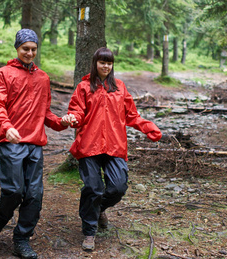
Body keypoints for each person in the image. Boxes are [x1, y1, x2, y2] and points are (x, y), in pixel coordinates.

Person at [0, 29, 75, 259]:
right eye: (25, 48)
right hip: (11, 141)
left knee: (34, 195)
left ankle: (21, 239)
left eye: (33, 49)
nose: (30, 53)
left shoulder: (43, 78)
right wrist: (6, 127)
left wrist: (62, 121)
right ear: (17, 48)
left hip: (35, 143)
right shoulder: (3, 74)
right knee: (14, 190)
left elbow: (45, 113)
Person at [66, 47, 162, 251]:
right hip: (89, 145)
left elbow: (132, 115)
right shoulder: (84, 87)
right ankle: (89, 231)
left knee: (118, 187)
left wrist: (148, 127)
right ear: (95, 64)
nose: (106, 66)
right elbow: (76, 111)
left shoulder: (119, 87)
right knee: (93, 187)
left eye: (109, 63)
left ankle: (97, 209)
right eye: (102, 62)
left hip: (114, 145)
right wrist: (73, 119)